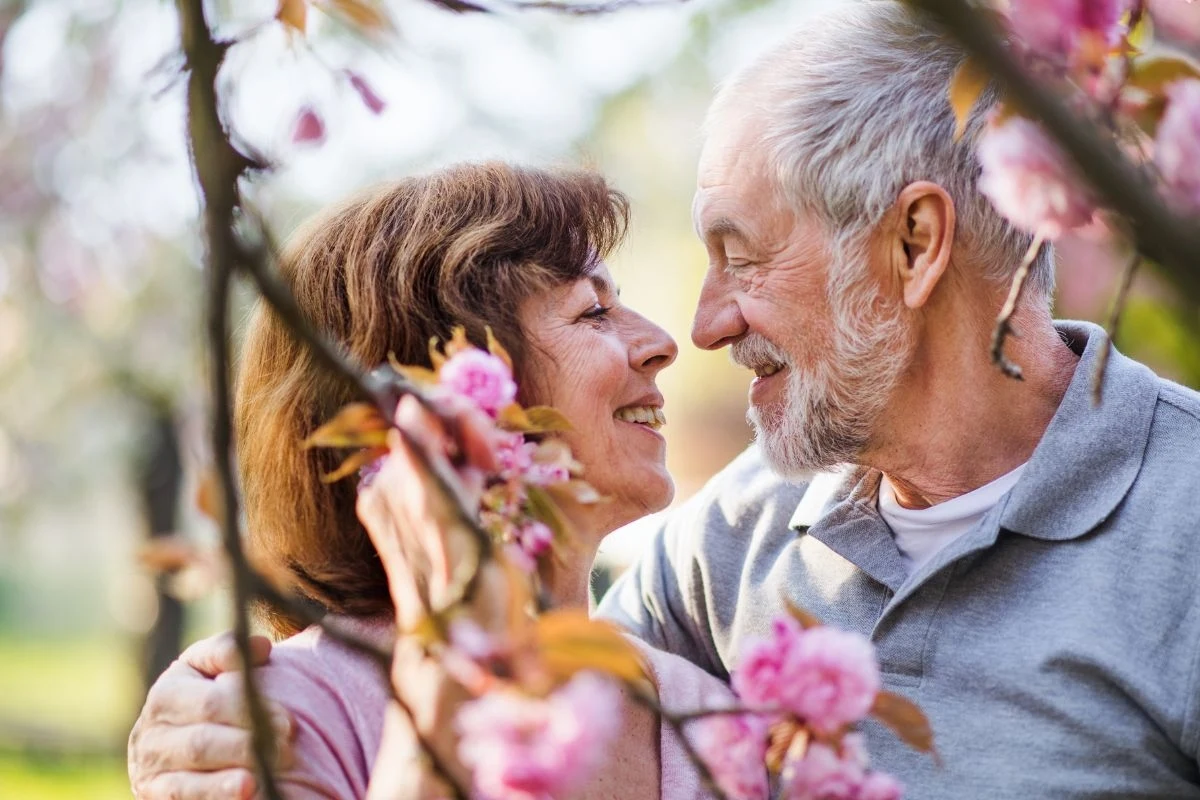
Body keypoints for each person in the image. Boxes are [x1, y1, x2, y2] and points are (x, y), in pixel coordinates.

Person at [130, 2, 1200, 797]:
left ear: (914, 245)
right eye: (599, 311)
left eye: (742, 257)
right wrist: (202, 714)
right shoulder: (725, 550)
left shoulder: (1183, 522)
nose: (699, 325)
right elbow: (528, 671)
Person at [126, 160, 759, 799]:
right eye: (593, 311)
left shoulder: (706, 717)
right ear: (435, 397)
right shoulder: (273, 719)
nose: (660, 341)